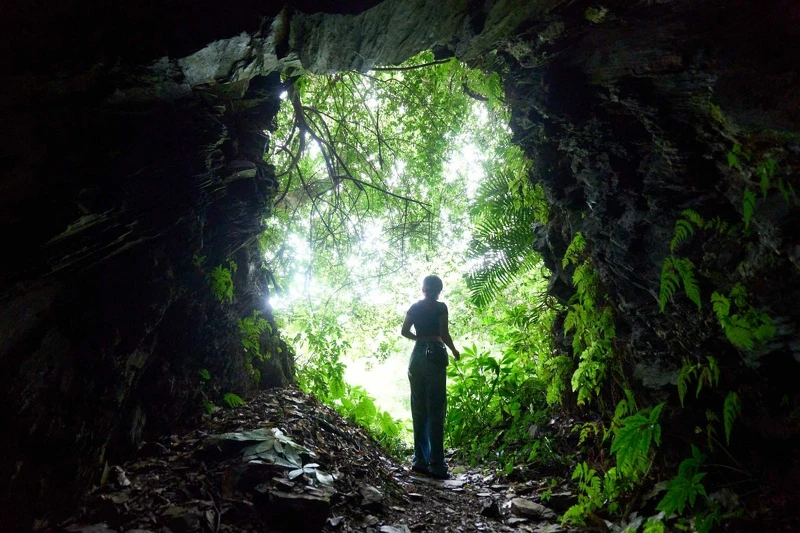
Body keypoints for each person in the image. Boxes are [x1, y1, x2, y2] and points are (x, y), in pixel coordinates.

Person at [400, 275, 460, 479]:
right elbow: (444, 333)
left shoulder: (414, 307)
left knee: (419, 409)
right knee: (436, 409)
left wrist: (419, 338)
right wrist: (454, 350)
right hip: (435, 355)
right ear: (439, 290)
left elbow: (404, 331)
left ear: (423, 289)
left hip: (416, 357)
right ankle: (437, 464)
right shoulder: (441, 307)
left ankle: (420, 461)